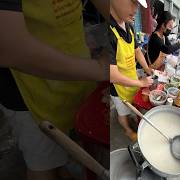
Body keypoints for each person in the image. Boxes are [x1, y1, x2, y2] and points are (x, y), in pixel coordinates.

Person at [0, 0, 108, 180]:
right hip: (28, 88)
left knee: (59, 152)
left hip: (70, 72)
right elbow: (9, 47)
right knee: (43, 164)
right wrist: (99, 69)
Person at [109, 0, 153, 141]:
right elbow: (112, 75)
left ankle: (131, 117)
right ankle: (127, 129)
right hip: (117, 87)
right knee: (122, 111)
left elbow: (137, 50)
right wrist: (141, 83)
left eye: (138, 5)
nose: (135, 10)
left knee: (133, 102)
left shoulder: (129, 26)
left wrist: (147, 68)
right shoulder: (108, 31)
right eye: (133, 2)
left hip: (132, 78)